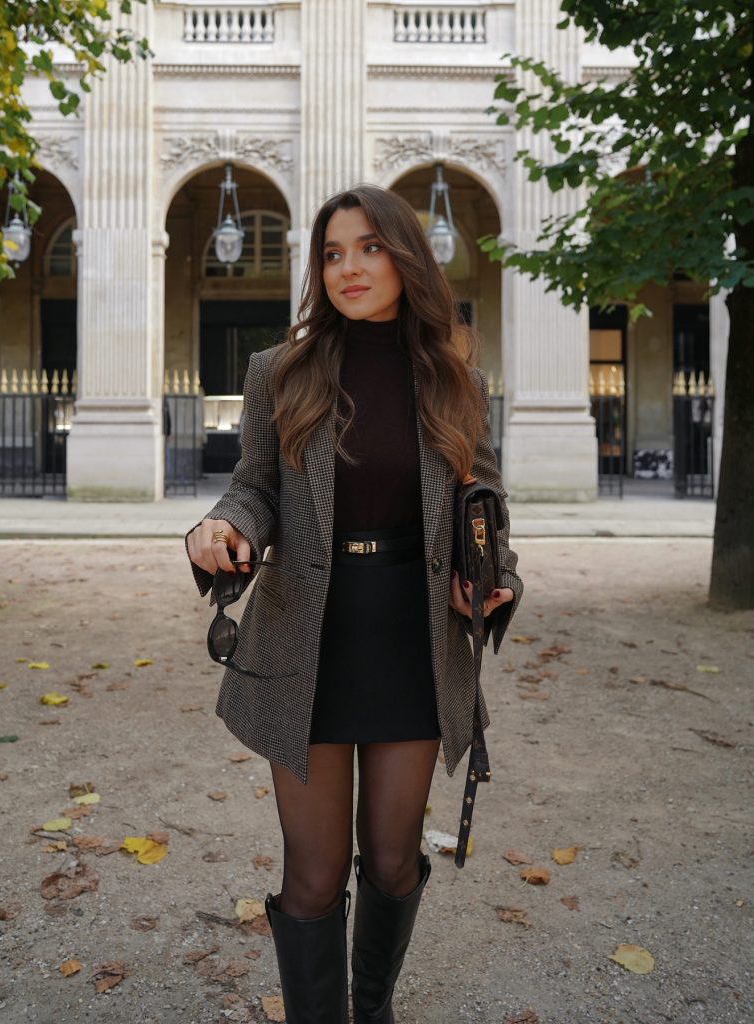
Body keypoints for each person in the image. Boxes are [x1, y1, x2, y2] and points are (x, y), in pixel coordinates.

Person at [185, 184, 523, 1024]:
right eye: (332, 254)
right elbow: (254, 487)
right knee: (312, 869)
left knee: (395, 855)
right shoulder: (281, 371)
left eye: (369, 248)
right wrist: (221, 526)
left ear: (406, 257)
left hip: (412, 635)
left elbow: (482, 495)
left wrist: (493, 571)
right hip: (307, 634)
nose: (349, 268)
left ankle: (369, 1009)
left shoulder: (451, 374)